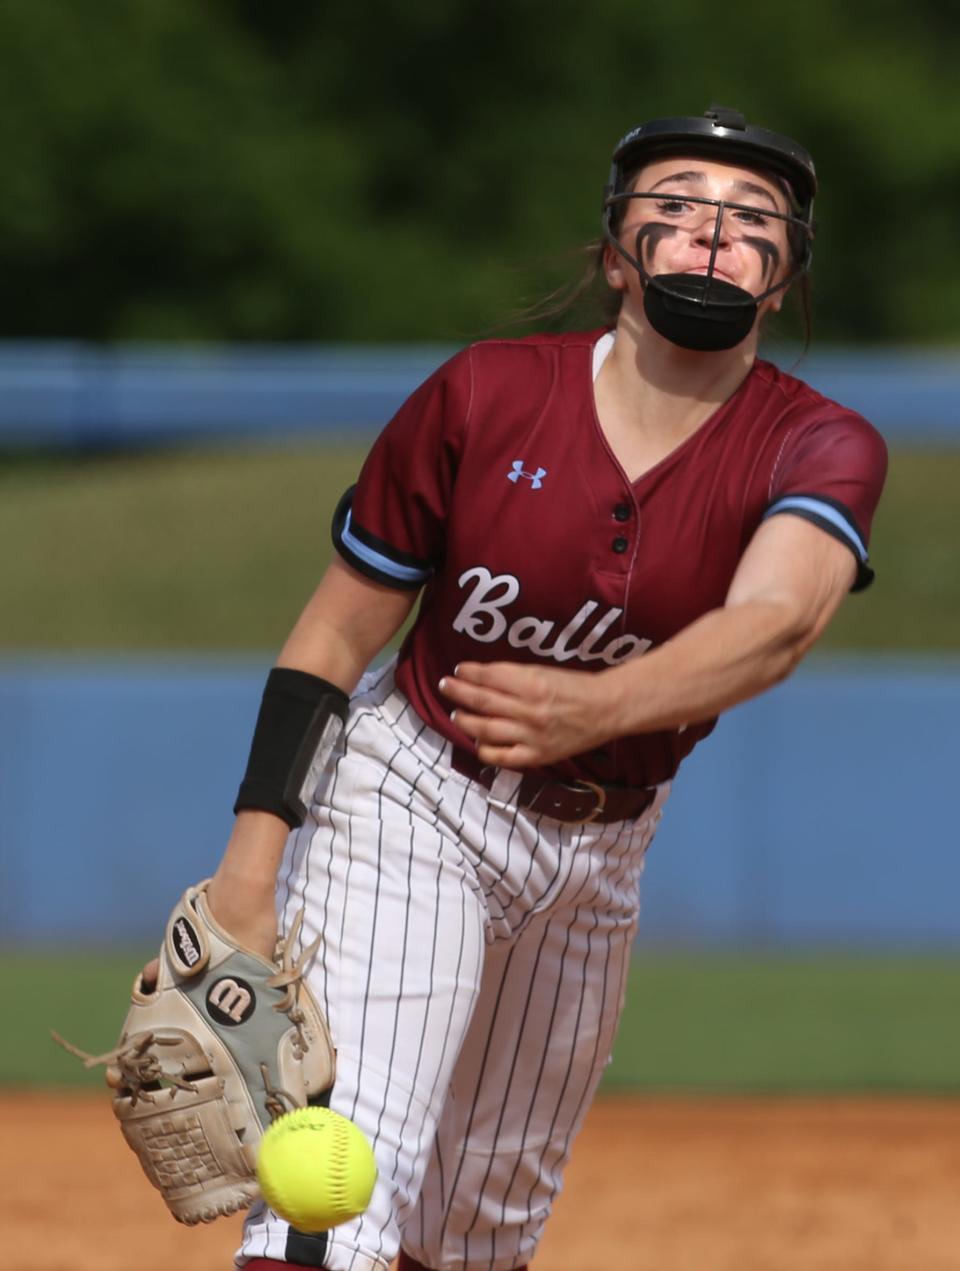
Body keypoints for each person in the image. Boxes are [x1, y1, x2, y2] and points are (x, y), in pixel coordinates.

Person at [205, 105, 887, 1270]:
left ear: (784, 276)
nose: (709, 233)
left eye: (750, 217)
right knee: (339, 1185)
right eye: (673, 206)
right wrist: (247, 871)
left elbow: (779, 621)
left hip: (602, 848)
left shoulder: (817, 442)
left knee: (480, 1225)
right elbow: (330, 634)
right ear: (617, 248)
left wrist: (599, 708)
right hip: (414, 794)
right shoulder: (484, 394)